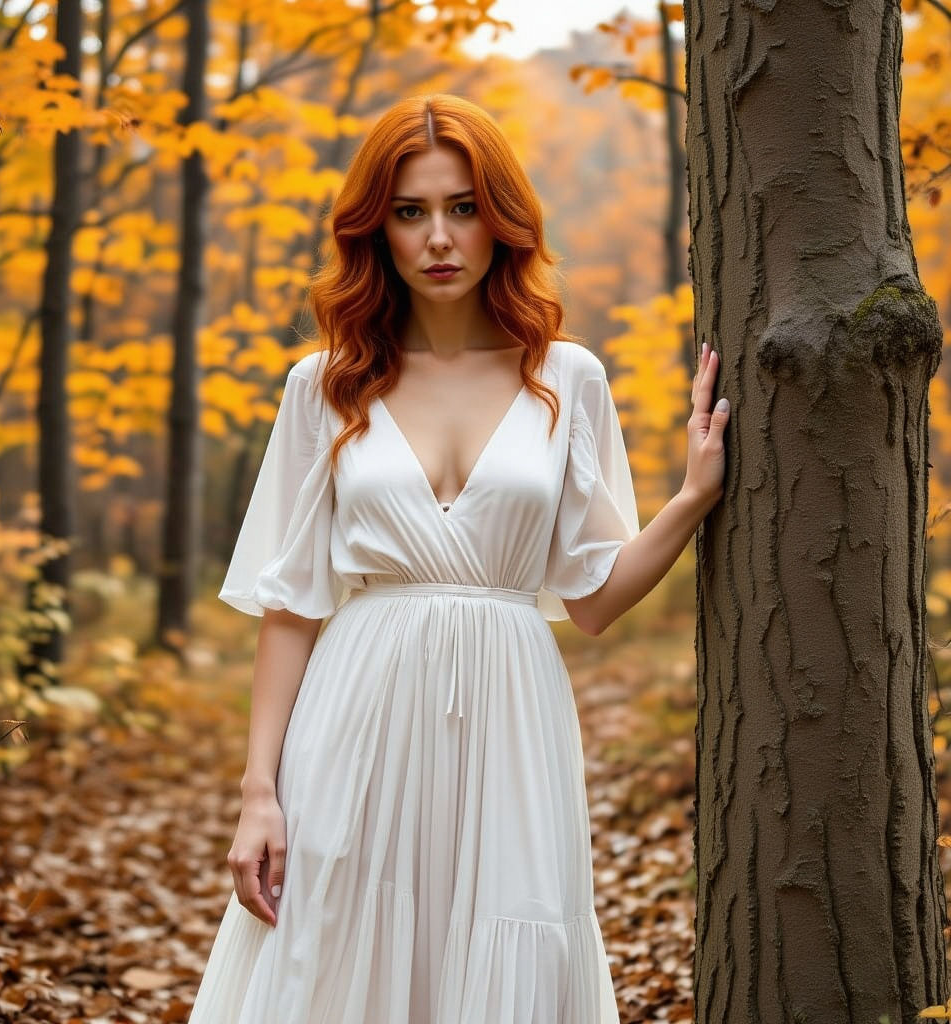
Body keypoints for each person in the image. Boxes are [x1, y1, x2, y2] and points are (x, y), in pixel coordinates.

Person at [188, 93, 728, 1024]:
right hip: (355, 706)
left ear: (501, 220)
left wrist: (691, 501)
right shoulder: (326, 384)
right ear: (378, 231)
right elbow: (292, 606)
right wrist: (257, 794)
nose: (439, 236)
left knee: (511, 935)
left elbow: (591, 600)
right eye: (410, 211)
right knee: (340, 942)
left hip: (513, 713)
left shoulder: (568, 376)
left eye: (463, 207)